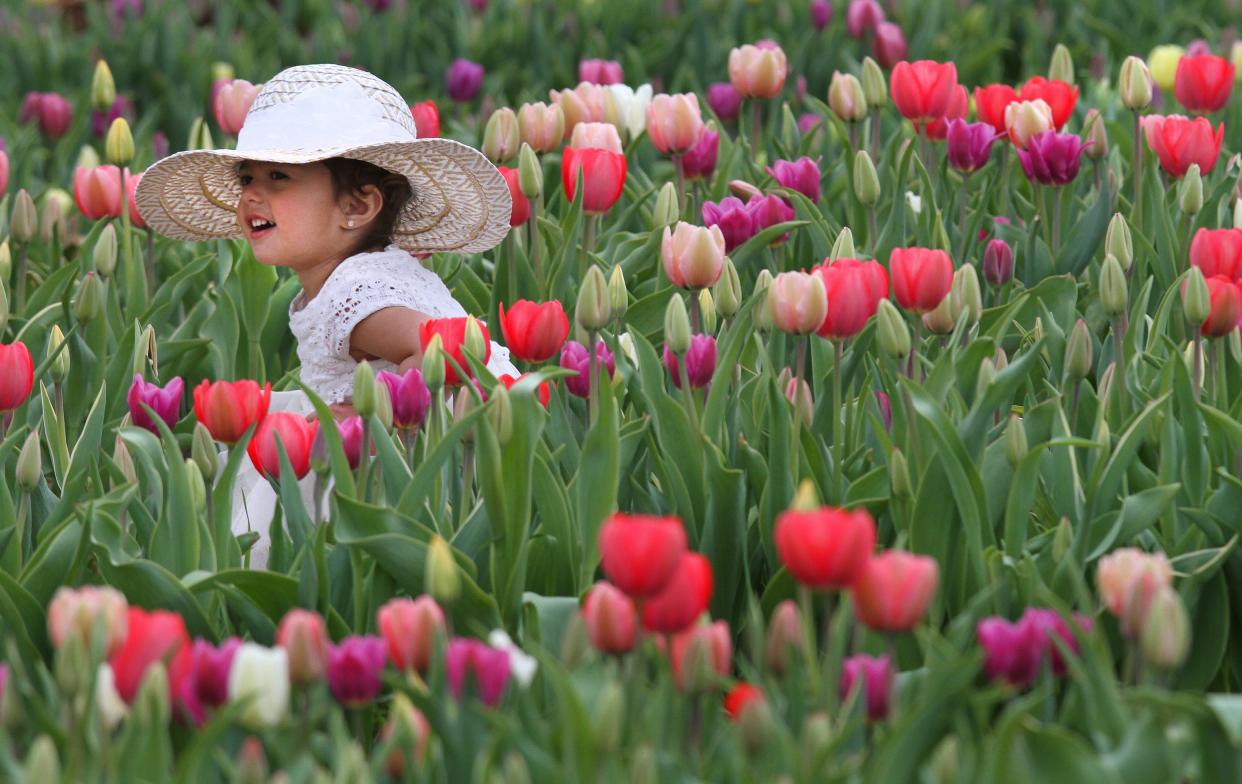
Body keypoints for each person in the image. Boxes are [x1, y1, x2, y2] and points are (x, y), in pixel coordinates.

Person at [135, 64, 518, 568]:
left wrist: (362, 416)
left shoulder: (354, 291)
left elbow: (437, 352)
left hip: (408, 458)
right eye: (246, 176)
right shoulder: (372, 273)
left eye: (279, 176)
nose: (252, 193)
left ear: (357, 207)